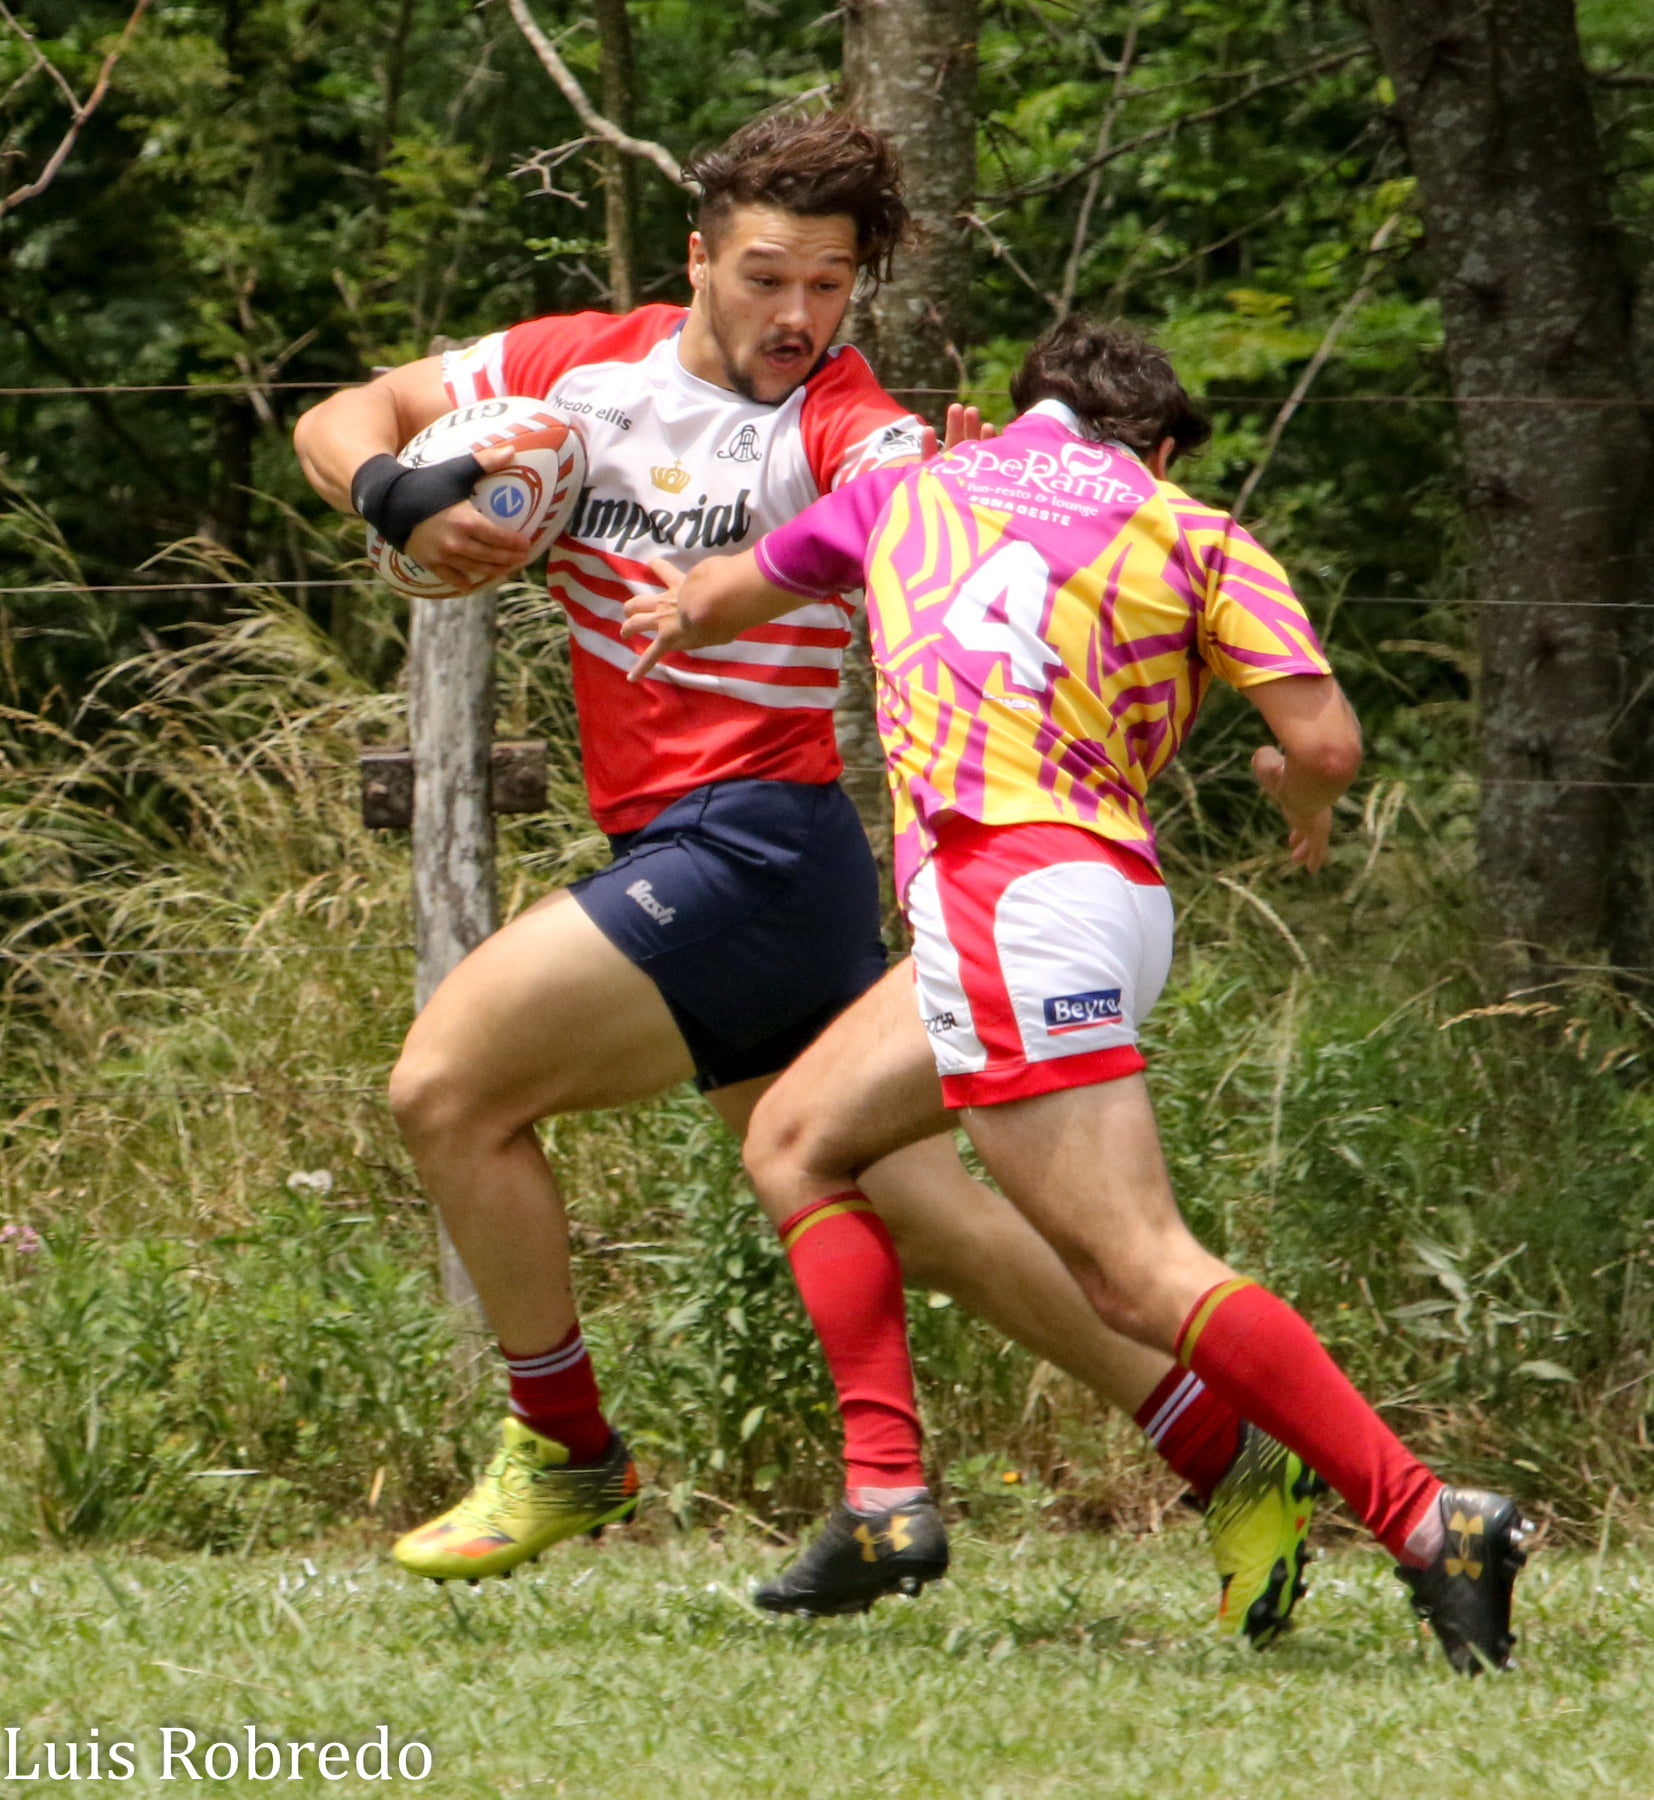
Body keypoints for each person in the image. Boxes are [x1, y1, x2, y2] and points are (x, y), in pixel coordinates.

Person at [294, 110, 1317, 1641]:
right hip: (698, 854)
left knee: (446, 1087)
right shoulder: (577, 364)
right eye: (768, 276)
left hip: (760, 845)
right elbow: (346, 409)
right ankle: (1231, 1463)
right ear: (697, 257)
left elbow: (940, 503)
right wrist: (398, 496)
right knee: (930, 1218)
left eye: (828, 288)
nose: (795, 318)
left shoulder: (851, 429)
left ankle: (564, 1445)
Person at [623, 315, 1534, 1672]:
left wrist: (653, 600)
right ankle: (883, 1502)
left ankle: (1423, 1517)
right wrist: (1305, 800)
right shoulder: (1194, 529)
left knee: (1134, 1273)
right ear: (1154, 447)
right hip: (1104, 900)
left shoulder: (911, 486)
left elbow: (713, 601)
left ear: (1017, 408)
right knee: (799, 1138)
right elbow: (1324, 739)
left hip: (1002, 894)